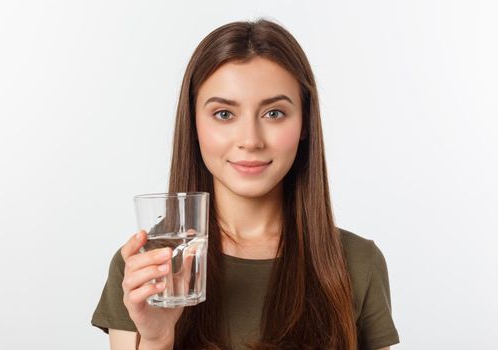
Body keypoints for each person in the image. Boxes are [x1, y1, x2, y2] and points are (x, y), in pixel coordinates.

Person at [91, 18, 400, 350]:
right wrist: (157, 338)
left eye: (274, 113)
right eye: (224, 114)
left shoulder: (356, 262)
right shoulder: (147, 269)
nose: (250, 140)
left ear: (305, 123)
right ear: (193, 124)